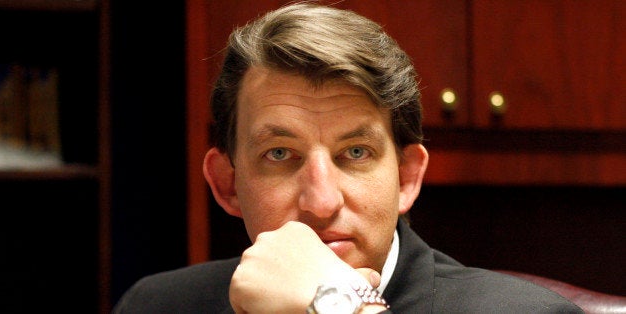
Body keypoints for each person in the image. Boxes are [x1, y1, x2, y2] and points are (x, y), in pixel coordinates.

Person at [113, 3, 583, 313]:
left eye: (354, 153)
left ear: (406, 179)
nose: (321, 202)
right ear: (227, 184)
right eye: (280, 154)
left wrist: (336, 304)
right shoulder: (156, 305)